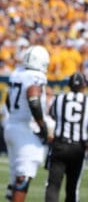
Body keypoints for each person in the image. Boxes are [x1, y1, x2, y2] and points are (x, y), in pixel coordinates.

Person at [4, 45, 50, 202]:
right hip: (25, 128)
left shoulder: (17, 73)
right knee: (23, 176)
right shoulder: (36, 76)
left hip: (12, 125)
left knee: (15, 176)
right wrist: (43, 126)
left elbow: (8, 101)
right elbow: (34, 99)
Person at [45, 72, 88, 202]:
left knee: (52, 185)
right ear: (84, 85)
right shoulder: (86, 101)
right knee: (73, 188)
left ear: (69, 85)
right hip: (78, 147)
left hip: (60, 146)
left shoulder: (59, 99)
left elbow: (52, 115)